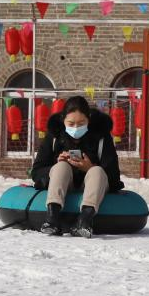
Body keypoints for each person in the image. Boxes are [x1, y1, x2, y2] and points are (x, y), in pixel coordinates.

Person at [29, 96, 124, 238]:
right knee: (61, 167)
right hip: (65, 183)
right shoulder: (54, 136)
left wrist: (90, 167)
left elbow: (114, 177)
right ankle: (52, 217)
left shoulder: (102, 137)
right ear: (63, 120)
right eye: (71, 123)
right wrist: (55, 165)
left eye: (81, 123)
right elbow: (36, 172)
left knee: (96, 171)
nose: (76, 128)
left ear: (88, 120)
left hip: (92, 186)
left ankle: (85, 219)